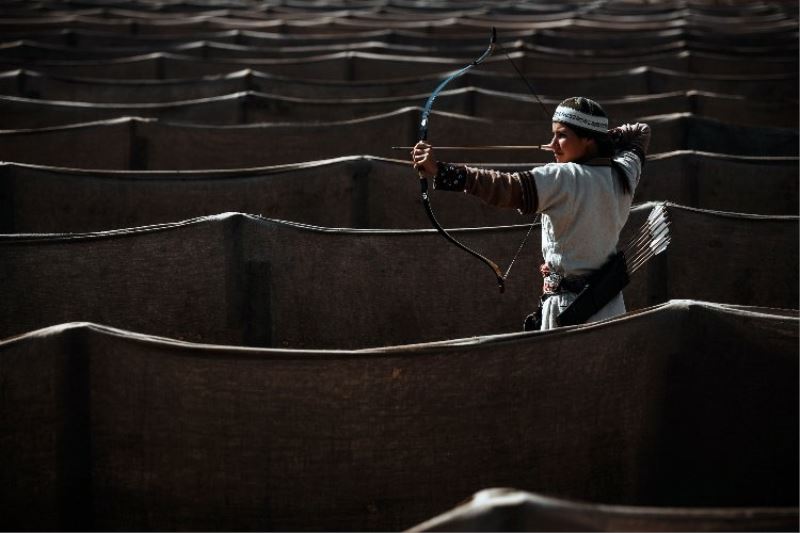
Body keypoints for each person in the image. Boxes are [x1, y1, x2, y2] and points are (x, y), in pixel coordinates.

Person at [411, 96, 651, 331]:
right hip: (611, 309)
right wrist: (601, 139)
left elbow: (505, 187)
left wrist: (441, 170)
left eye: (562, 135)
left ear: (588, 139)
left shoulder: (564, 177)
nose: (553, 144)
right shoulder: (624, 173)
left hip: (569, 312)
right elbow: (641, 131)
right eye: (553, 135)